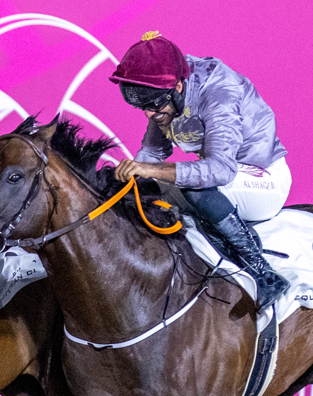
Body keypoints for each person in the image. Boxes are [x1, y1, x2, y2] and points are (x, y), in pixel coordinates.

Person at [110, 31, 291, 313]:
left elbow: (220, 170)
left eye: (154, 104)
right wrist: (121, 182)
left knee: (194, 188)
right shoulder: (164, 95)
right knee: (141, 190)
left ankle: (263, 273)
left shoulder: (219, 92)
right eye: (142, 106)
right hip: (227, 181)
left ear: (178, 87)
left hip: (264, 178)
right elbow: (152, 154)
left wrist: (150, 169)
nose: (149, 114)